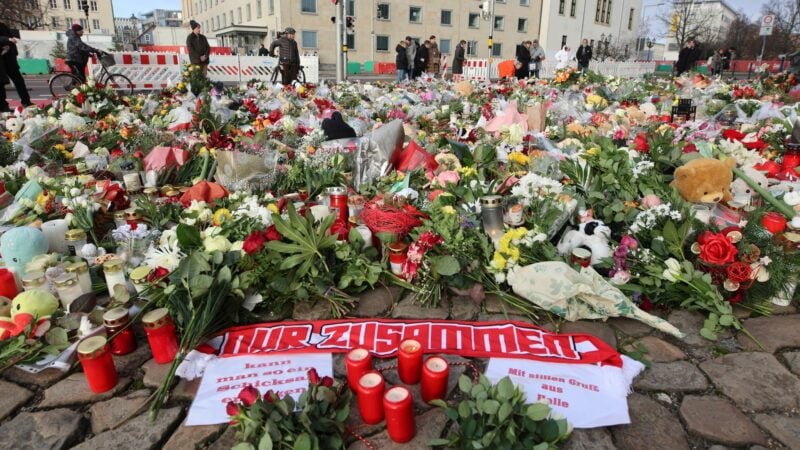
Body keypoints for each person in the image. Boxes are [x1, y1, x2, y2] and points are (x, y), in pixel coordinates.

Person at [0, 22, 31, 112]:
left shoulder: (3, 25)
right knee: (1, 85)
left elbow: (12, 40)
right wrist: (7, 39)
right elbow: (8, 39)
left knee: (19, 82)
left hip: (9, 59)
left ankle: (26, 102)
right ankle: (3, 107)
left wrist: (14, 52)